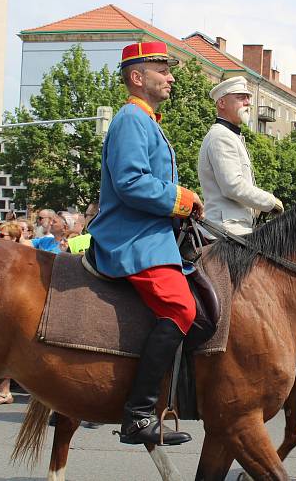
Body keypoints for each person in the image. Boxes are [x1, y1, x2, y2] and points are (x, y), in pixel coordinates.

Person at [88, 41, 204, 446]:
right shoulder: (131, 119)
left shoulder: (147, 120)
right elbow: (131, 182)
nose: (170, 77)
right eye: (162, 70)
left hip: (153, 233)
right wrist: (182, 199)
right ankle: (138, 415)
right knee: (180, 305)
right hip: (132, 235)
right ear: (137, 78)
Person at [198, 76, 283, 236]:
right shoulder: (221, 136)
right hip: (226, 231)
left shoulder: (232, 136)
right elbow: (233, 186)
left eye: (248, 97)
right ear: (222, 103)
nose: (247, 102)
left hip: (235, 229)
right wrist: (270, 202)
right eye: (240, 97)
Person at [0, 221, 24, 406]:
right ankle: (0, 390)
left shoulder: (23, 256)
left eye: (2, 236)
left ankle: (5, 391)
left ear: (14, 237)